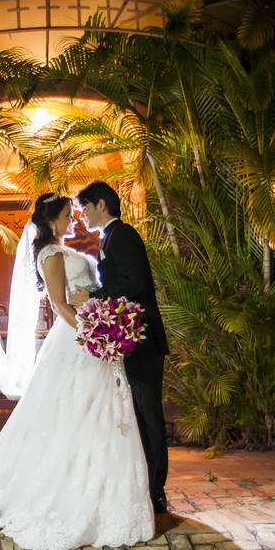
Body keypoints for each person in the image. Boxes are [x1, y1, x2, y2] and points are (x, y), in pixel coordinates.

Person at [0, 192, 154, 550]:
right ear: (52, 220)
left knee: (96, 418)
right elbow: (60, 306)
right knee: (74, 416)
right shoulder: (51, 255)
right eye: (68, 216)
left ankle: (99, 492)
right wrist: (94, 334)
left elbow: (87, 293)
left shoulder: (61, 249)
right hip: (78, 339)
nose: (74, 220)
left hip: (92, 336)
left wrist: (101, 327)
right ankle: (71, 493)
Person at [70, 181, 169, 514]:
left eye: (84, 207)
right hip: (131, 339)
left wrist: (94, 296)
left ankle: (156, 491)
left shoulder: (122, 235)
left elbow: (134, 282)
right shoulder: (109, 238)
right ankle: (148, 485)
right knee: (141, 413)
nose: (82, 215)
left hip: (142, 340)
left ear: (100, 204)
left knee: (148, 413)